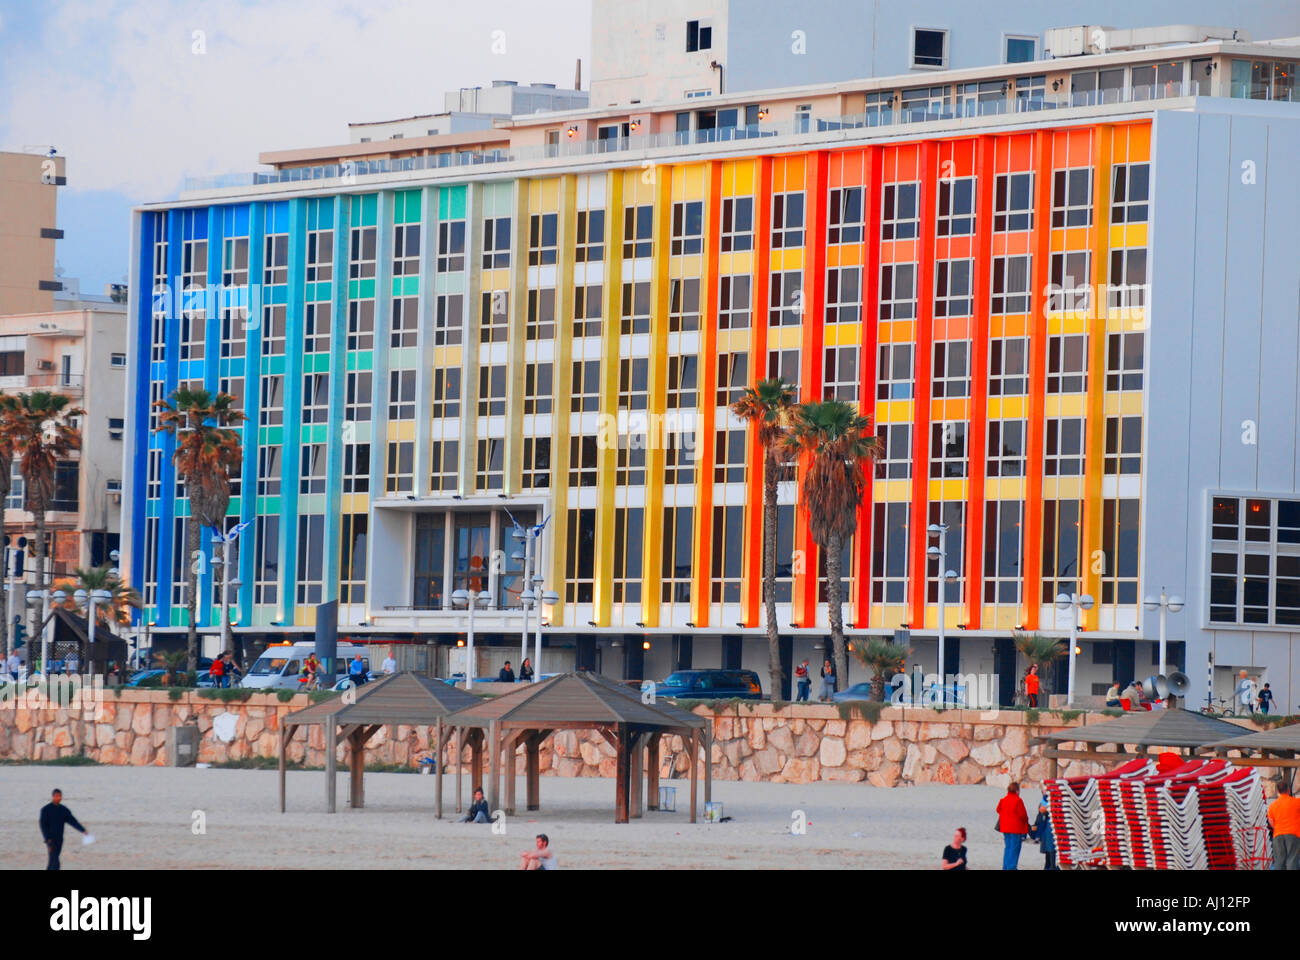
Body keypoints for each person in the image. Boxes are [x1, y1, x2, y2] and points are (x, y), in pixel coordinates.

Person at [40, 788, 87, 871]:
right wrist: (47, 838)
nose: (58, 798)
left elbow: (73, 821)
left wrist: (82, 830)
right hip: (50, 840)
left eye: (60, 796)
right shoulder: (46, 810)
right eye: (57, 796)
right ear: (53, 796)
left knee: (52, 861)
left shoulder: (64, 810)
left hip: (59, 839)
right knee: (55, 862)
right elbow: (43, 825)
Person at [995, 782, 1030, 870]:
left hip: (1005, 827)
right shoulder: (1018, 800)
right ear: (1017, 791)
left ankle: (1006, 866)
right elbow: (1023, 815)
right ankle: (1011, 867)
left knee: (1008, 848)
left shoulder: (1003, 800)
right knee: (1014, 849)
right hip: (1015, 828)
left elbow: (998, 809)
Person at [1268, 780, 1300, 870]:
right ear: (1288, 790)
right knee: (1292, 859)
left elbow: (1271, 821)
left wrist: (1278, 828)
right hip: (1294, 834)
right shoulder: (1297, 802)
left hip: (1278, 835)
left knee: (1279, 861)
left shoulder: (1272, 805)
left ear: (1277, 792)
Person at [1030, 793, 1057, 870]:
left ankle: (1049, 865)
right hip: (1048, 825)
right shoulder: (1048, 797)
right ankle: (1050, 865)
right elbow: (1042, 809)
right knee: (1050, 847)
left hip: (1048, 825)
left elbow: (1041, 810)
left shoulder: (1047, 797)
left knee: (1050, 847)